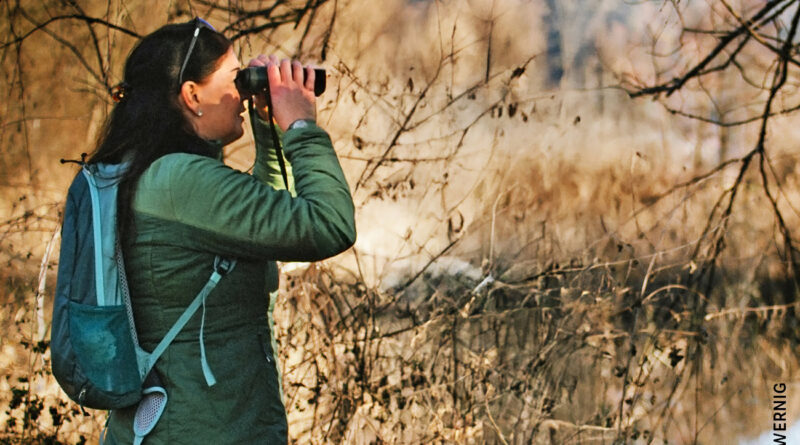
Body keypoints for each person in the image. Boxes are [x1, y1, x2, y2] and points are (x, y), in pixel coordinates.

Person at [90, 18, 356, 444]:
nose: (244, 93)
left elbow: (265, 231)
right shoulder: (183, 180)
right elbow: (329, 225)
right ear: (192, 95)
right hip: (201, 429)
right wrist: (302, 127)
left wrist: (270, 135)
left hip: (177, 425)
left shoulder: (151, 171)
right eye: (236, 79)